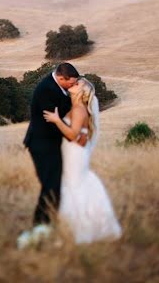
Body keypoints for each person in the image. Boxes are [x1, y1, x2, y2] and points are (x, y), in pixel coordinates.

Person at [43, 77, 122, 244]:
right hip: (73, 150)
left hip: (74, 154)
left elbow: (72, 135)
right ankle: (74, 228)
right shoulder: (75, 108)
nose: (74, 83)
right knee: (73, 185)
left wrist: (57, 120)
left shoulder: (79, 110)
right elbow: (81, 136)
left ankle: (80, 230)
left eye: (78, 84)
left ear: (82, 92)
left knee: (73, 185)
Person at [22, 62, 78, 226]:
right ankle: (40, 223)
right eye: (71, 83)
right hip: (41, 144)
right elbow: (53, 121)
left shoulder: (58, 87)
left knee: (53, 184)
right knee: (50, 184)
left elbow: (63, 107)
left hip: (50, 143)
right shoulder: (47, 89)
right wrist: (73, 135)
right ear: (61, 78)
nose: (72, 86)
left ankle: (48, 221)